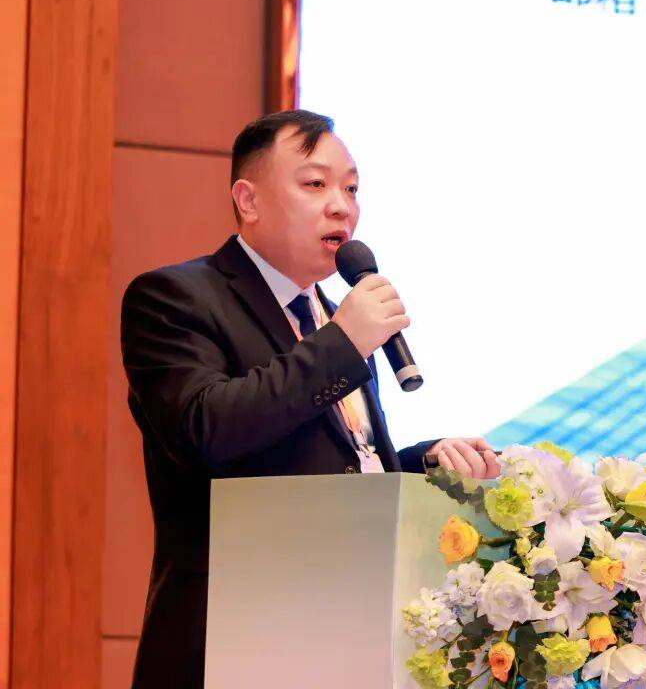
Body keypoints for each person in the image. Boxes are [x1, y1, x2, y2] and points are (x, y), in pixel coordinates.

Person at [120, 109, 499, 688]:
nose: (342, 206)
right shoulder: (173, 298)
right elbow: (206, 430)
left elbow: (338, 467)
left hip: (344, 641)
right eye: (316, 184)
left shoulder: (332, 319)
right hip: (231, 644)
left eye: (352, 188)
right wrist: (343, 344)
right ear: (248, 201)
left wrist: (424, 461)